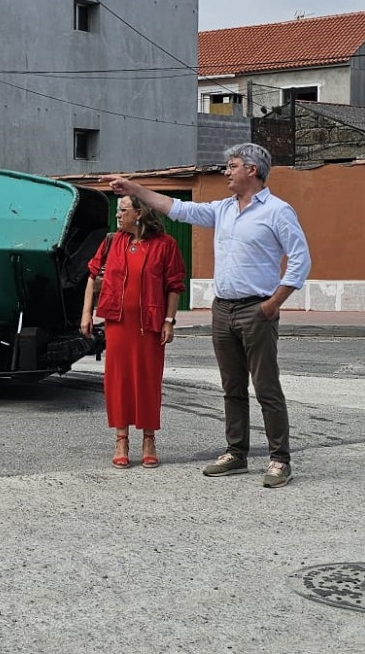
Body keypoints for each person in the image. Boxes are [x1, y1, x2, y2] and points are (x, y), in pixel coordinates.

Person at [109, 143, 310, 489]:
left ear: (252, 169)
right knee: (232, 387)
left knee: (266, 387)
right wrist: (135, 189)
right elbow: (178, 208)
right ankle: (236, 453)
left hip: (256, 309)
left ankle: (280, 459)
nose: (226, 172)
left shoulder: (278, 211)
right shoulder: (223, 210)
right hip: (224, 308)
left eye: (231, 166)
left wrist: (273, 304)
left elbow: (300, 260)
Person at [81, 196, 186, 469]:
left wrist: (169, 321)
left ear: (139, 213)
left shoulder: (166, 245)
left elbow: (174, 286)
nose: (118, 215)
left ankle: (149, 439)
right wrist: (86, 313)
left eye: (123, 210)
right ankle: (121, 440)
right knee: (118, 381)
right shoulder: (112, 242)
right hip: (117, 323)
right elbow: (92, 276)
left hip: (149, 325)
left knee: (148, 381)